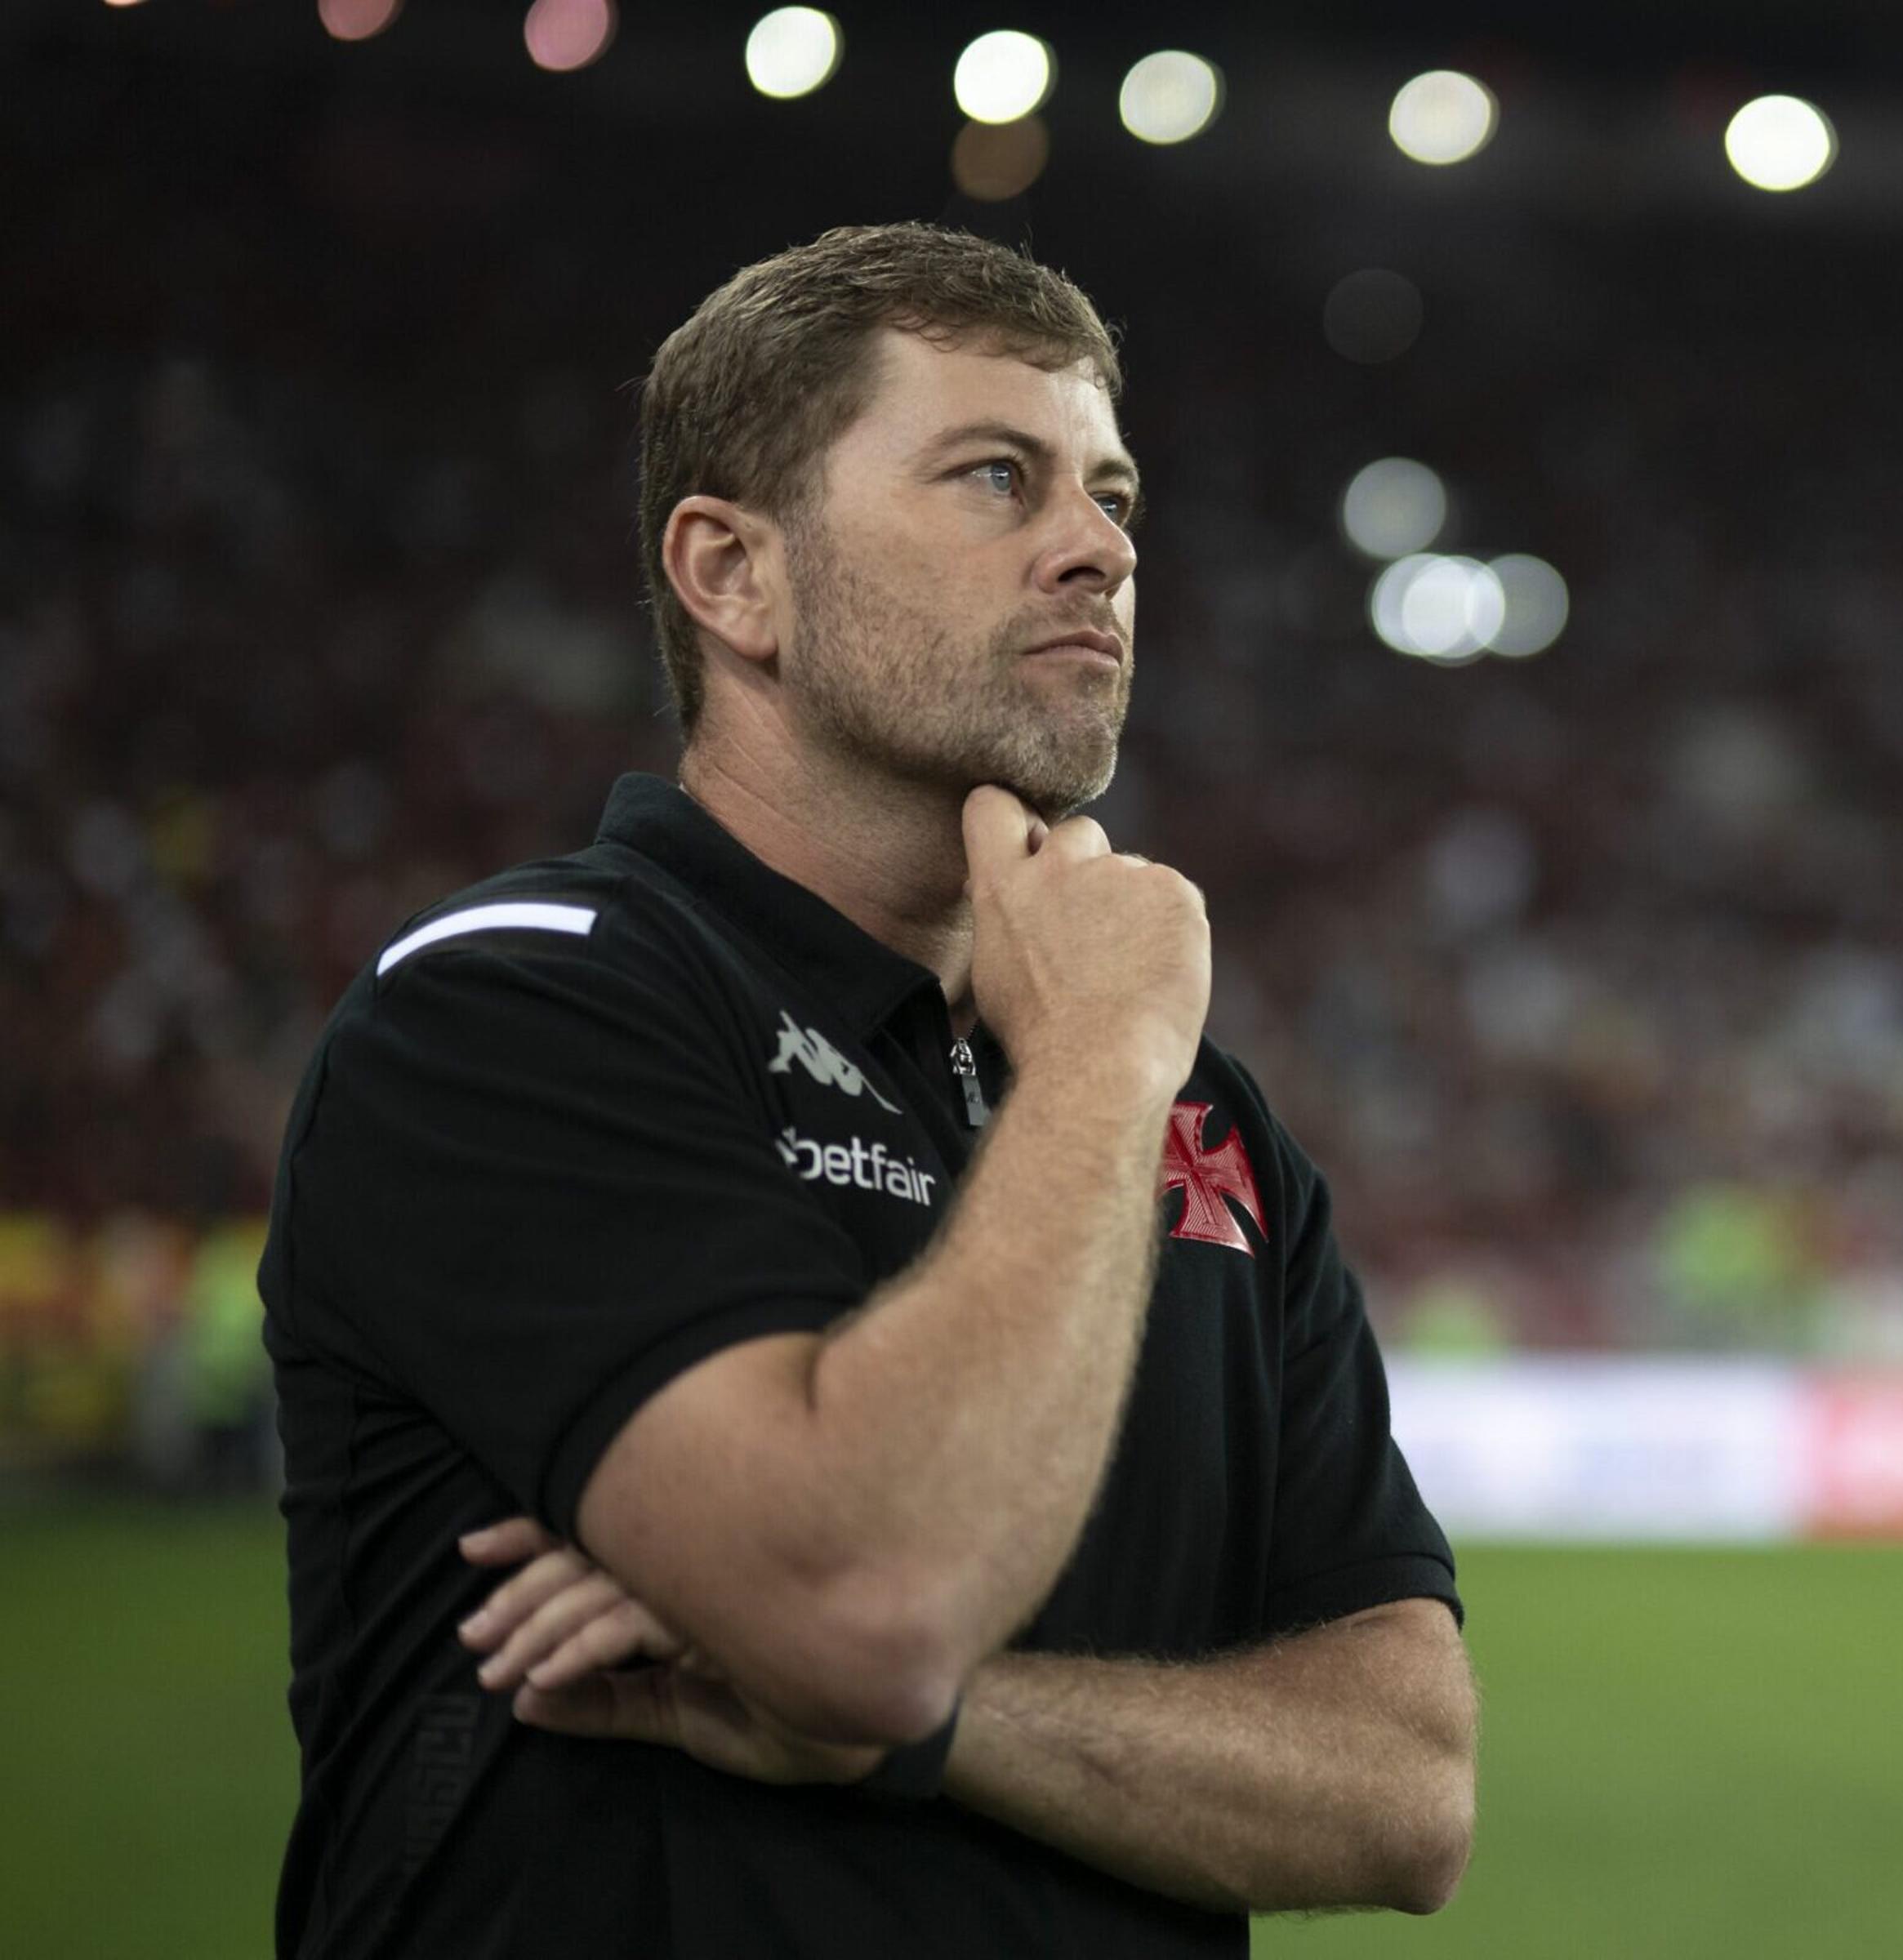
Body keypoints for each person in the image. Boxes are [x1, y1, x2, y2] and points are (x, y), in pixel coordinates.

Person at [258, 222, 1475, 1959]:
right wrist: (1107, 1061)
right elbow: (871, 1601)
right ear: (732, 575)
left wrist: (951, 1727)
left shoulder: (1201, 1122)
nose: (1098, 551)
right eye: (998, 477)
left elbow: (1406, 1789)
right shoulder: (511, 1005)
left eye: (1114, 494)